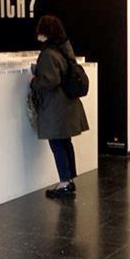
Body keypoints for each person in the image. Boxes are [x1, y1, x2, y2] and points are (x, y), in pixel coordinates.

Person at [31, 15, 89, 198]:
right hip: (68, 105)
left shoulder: (48, 53)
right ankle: (69, 179)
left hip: (56, 107)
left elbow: (51, 80)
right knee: (65, 142)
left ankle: (64, 182)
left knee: (57, 143)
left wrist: (34, 81)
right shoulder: (64, 50)